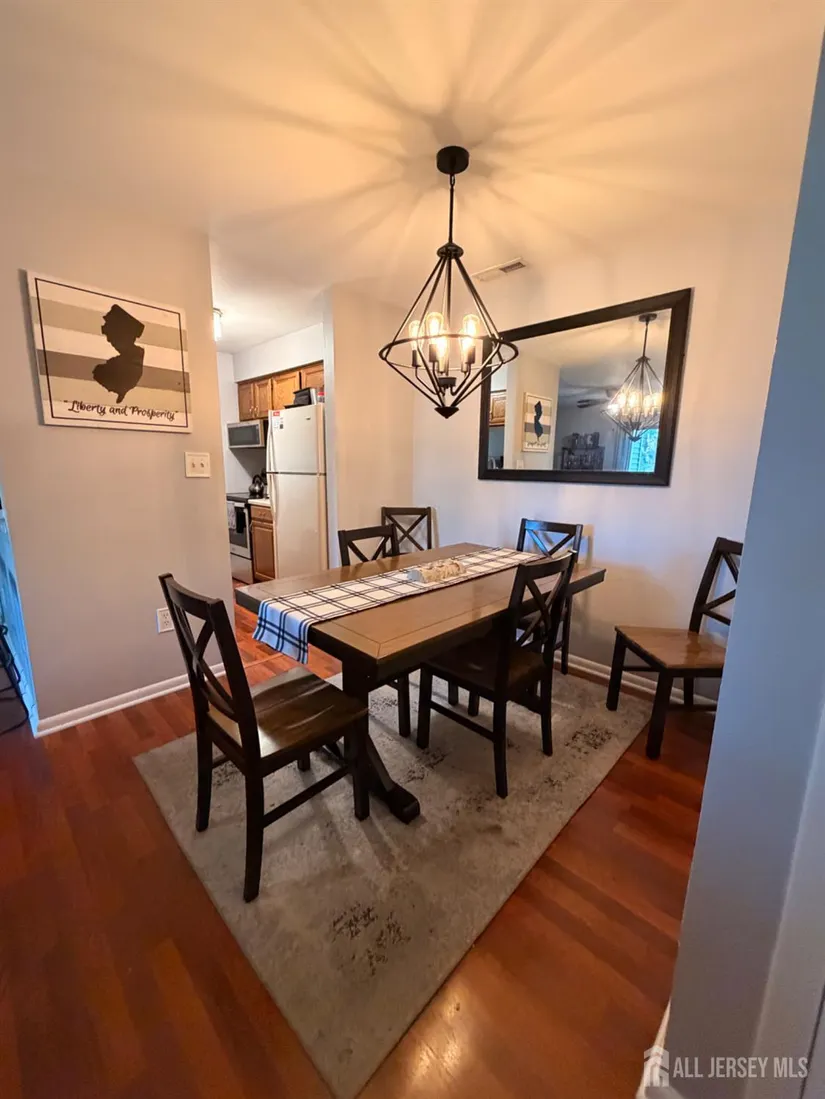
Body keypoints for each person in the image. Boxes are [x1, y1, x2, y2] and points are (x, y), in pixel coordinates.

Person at [93, 304, 145, 403]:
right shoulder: (128, 361)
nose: (109, 340)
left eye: (111, 335)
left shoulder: (125, 368)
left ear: (125, 335)